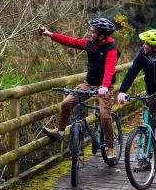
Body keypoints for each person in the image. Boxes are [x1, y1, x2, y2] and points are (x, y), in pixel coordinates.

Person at [38, 18, 120, 159]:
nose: (90, 33)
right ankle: (60, 132)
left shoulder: (111, 49)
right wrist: (50, 34)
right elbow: (71, 41)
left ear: (102, 35)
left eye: (93, 31)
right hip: (88, 83)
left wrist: (105, 86)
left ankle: (110, 145)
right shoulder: (90, 44)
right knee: (66, 103)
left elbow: (109, 69)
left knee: (105, 114)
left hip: (104, 86)